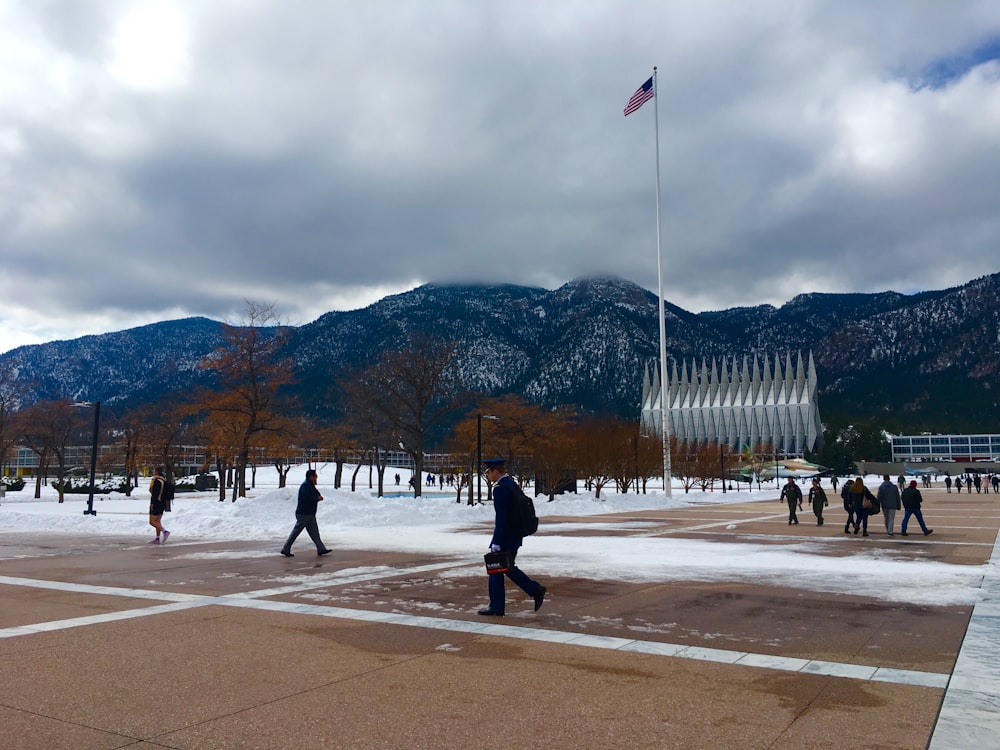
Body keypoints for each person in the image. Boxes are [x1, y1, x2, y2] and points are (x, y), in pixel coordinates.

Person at [478, 457, 545, 617]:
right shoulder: (512, 484)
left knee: (496, 569)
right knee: (507, 568)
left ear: (495, 471)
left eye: (488, 472)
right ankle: (534, 590)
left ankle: (497, 606)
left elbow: (501, 518)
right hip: (515, 535)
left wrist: (496, 541)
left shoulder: (500, 488)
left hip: (506, 537)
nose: (488, 475)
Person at [280, 469, 332, 557]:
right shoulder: (306, 486)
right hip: (304, 514)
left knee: (315, 533)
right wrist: (317, 498)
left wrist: (318, 496)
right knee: (296, 532)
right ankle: (286, 548)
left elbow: (315, 494)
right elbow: (307, 498)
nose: (316, 478)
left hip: (309, 514)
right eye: (315, 476)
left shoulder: (310, 485)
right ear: (311, 477)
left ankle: (321, 549)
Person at [148, 467, 171, 544]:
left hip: (156, 503)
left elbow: (155, 494)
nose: (153, 472)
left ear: (157, 472)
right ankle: (157, 538)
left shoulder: (156, 481)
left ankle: (165, 532)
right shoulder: (163, 480)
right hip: (162, 503)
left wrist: (152, 503)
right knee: (158, 521)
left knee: (152, 521)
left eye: (154, 471)